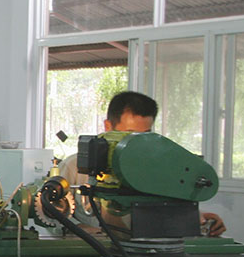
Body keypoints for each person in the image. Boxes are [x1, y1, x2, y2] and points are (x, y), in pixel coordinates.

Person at [59, 91, 226, 236]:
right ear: (108, 126)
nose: (137, 144)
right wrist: (78, 228)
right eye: (129, 135)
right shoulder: (74, 167)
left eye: (144, 135)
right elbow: (51, 215)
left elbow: (161, 206)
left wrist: (197, 218)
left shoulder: (155, 169)